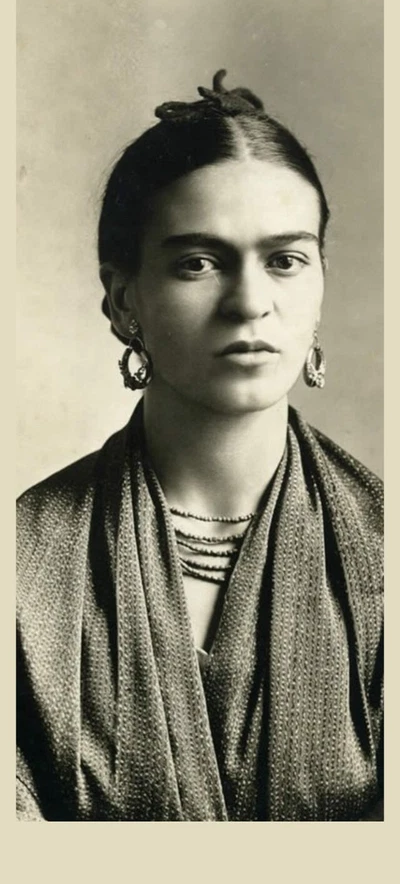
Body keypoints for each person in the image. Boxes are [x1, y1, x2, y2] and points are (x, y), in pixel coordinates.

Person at [17, 70, 383, 821]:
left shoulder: (382, 545)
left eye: (285, 259)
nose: (250, 303)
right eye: (198, 263)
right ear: (124, 300)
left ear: (320, 282)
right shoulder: (23, 560)